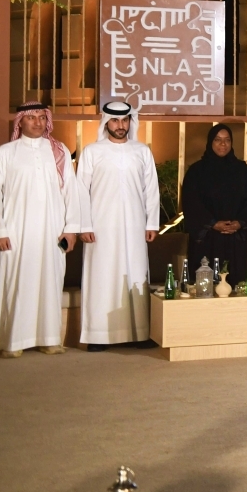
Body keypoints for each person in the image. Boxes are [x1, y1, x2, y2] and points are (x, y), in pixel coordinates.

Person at [0, 103, 80, 357]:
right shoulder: (6, 153)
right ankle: (13, 342)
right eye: (31, 117)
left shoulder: (59, 151)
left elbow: (71, 191)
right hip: (15, 230)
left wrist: (71, 228)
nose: (38, 122)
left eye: (42, 117)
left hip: (53, 229)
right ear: (20, 121)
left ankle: (49, 339)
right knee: (16, 282)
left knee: (50, 281)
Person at [76, 101, 160, 351]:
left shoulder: (142, 151)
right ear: (106, 122)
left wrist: (152, 222)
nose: (120, 125)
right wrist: (84, 225)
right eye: (115, 120)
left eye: (124, 120)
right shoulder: (92, 151)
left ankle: (139, 333)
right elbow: (80, 191)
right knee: (101, 277)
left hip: (135, 225)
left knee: (136, 275)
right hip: (100, 227)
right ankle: (98, 336)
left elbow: (151, 190)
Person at [181, 124, 247, 283]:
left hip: (234, 241)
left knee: (233, 285)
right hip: (207, 240)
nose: (223, 144)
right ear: (210, 142)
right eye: (218, 140)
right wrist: (213, 223)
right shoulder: (197, 172)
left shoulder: (242, 171)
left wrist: (240, 223)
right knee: (204, 285)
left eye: (227, 140)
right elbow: (191, 203)